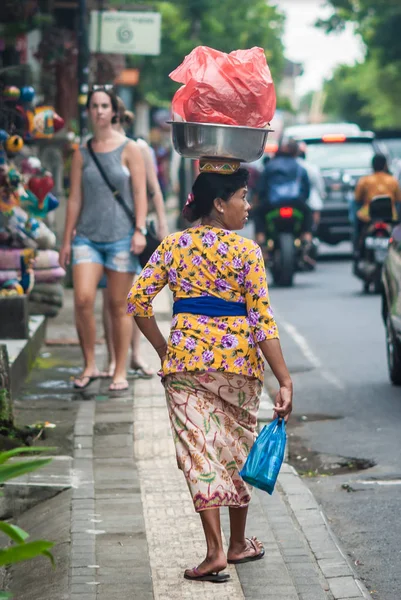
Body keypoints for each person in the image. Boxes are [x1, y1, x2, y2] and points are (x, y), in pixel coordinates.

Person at [127, 168, 293, 582]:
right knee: (237, 450)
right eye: (242, 196)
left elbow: (137, 301)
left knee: (199, 455)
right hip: (238, 368)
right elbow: (262, 322)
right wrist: (284, 380)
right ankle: (237, 544)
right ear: (219, 204)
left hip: (185, 365)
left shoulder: (173, 246)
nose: (248, 205)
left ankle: (217, 551)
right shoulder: (247, 252)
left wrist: (166, 351)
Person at [59, 85, 147, 391]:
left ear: (114, 111)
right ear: (88, 112)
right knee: (82, 299)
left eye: (104, 106)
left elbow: (139, 192)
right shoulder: (81, 153)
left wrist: (139, 230)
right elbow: (74, 199)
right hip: (86, 237)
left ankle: (119, 370)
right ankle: (90, 365)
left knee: (118, 306)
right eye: (94, 106)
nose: (99, 111)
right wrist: (67, 240)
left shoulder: (130, 148)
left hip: (122, 237)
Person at [101, 97, 169, 379]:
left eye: (112, 117)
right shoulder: (97, 146)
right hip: (102, 229)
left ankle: (135, 355)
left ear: (120, 117)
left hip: (131, 232)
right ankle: (113, 357)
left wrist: (163, 224)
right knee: (108, 299)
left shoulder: (138, 148)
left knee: (127, 298)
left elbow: (152, 189)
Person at [254, 138, 313, 258]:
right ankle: (306, 237)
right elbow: (306, 189)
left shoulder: (269, 166)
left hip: (272, 204)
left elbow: (261, 189)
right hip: (295, 203)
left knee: (258, 213)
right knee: (308, 212)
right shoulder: (300, 167)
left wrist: (259, 201)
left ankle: (261, 239)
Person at [297, 142, 326, 230]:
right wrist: (322, 195)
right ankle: (310, 233)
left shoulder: (290, 165)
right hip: (309, 200)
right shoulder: (312, 167)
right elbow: (319, 185)